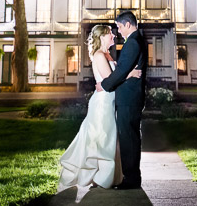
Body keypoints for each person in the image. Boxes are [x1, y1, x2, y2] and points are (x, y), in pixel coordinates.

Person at [58, 24, 141, 190]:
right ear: (102, 36)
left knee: (108, 138)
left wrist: (107, 83)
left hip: (109, 100)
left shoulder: (107, 54)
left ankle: (104, 176)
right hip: (102, 103)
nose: (113, 35)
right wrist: (130, 74)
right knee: (102, 139)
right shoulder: (98, 55)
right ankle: (100, 178)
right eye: (110, 33)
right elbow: (110, 79)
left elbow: (109, 81)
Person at [100, 11, 148, 190]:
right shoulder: (137, 40)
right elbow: (125, 70)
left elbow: (120, 71)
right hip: (132, 97)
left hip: (129, 98)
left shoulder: (133, 43)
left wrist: (104, 86)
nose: (118, 31)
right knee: (131, 137)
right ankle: (132, 176)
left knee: (128, 138)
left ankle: (131, 178)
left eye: (119, 27)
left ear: (128, 25)